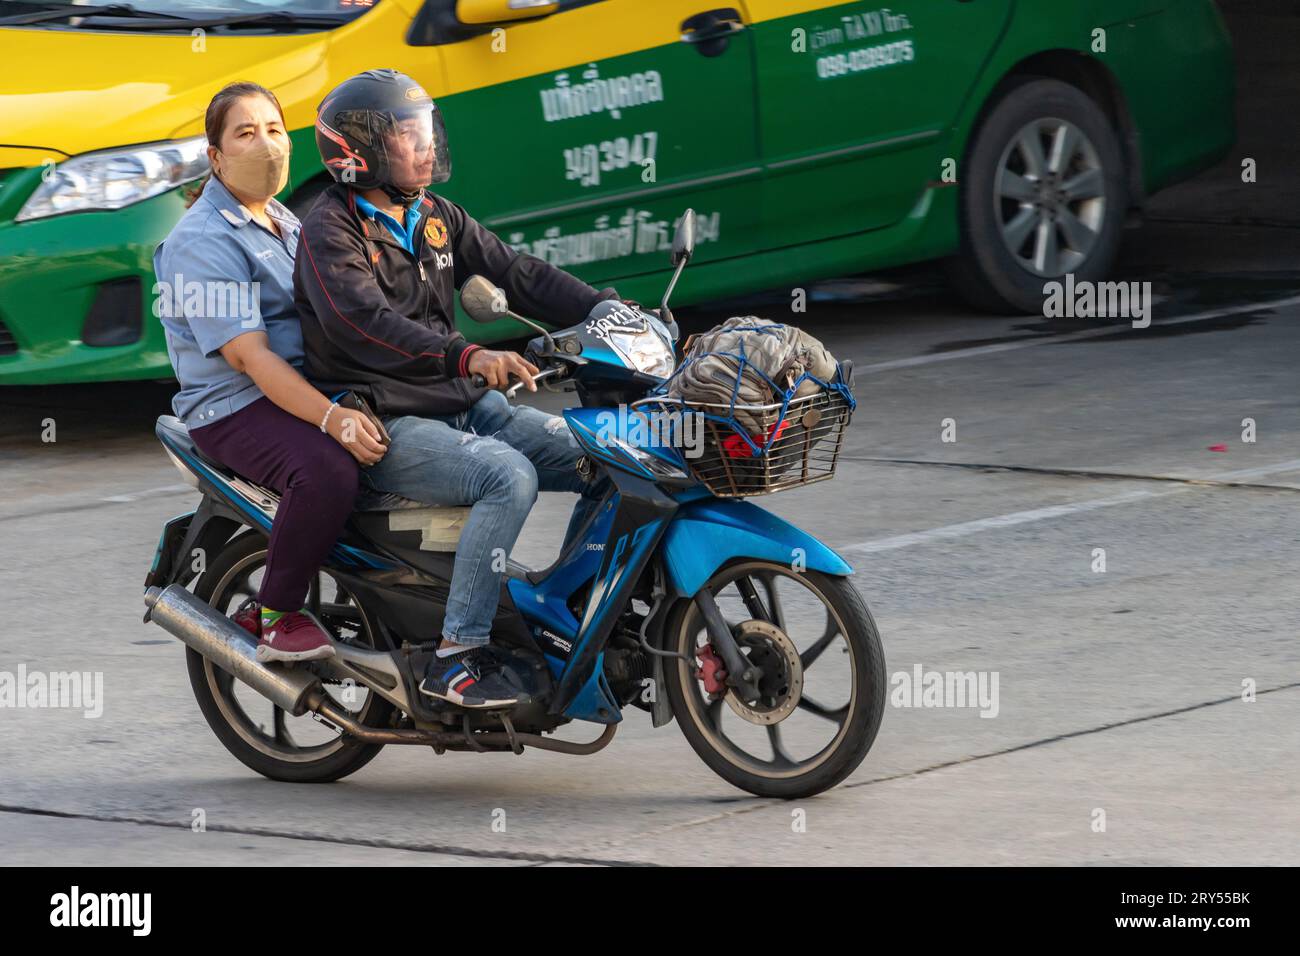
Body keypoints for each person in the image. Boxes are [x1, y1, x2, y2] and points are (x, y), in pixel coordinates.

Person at [295, 69, 622, 708]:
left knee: (608, 455)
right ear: (359, 152)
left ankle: (569, 613)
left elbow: (517, 273)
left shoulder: (435, 217)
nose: (425, 146)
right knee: (508, 478)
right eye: (407, 136)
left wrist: (609, 311)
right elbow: (363, 326)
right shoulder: (329, 232)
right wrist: (466, 354)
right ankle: (457, 655)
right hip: (389, 423)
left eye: (426, 131)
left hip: (469, 409)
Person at [156, 82, 388, 662]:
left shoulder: (282, 217)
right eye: (245, 133)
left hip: (301, 383)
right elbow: (252, 360)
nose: (266, 145)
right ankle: (276, 613)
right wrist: (332, 418)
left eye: (274, 130)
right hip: (236, 407)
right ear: (217, 157)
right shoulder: (201, 241)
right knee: (326, 471)